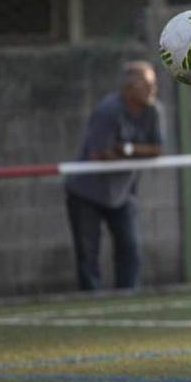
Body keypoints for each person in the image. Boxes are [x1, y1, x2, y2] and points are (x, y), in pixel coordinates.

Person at [64, 61, 163, 291]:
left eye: (153, 83)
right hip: (86, 191)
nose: (152, 89)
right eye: (146, 84)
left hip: (122, 191)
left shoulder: (154, 111)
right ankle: (92, 302)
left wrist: (126, 149)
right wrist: (136, 152)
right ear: (129, 88)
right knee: (88, 253)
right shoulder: (107, 111)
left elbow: (157, 149)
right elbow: (100, 153)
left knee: (131, 248)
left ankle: (128, 297)